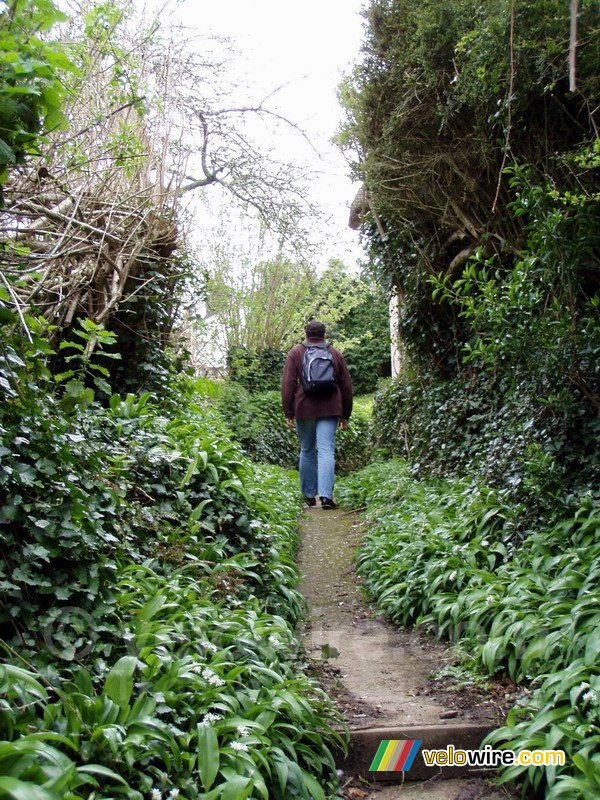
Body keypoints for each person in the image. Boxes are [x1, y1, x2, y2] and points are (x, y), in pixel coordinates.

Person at [281, 320, 353, 509]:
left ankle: (309, 496)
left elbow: (288, 384)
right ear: (324, 335)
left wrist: (288, 411)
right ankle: (327, 497)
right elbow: (346, 385)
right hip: (330, 407)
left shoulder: (296, 352)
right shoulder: (334, 353)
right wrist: (346, 414)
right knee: (326, 450)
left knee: (307, 450)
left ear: (306, 334)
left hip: (304, 408)